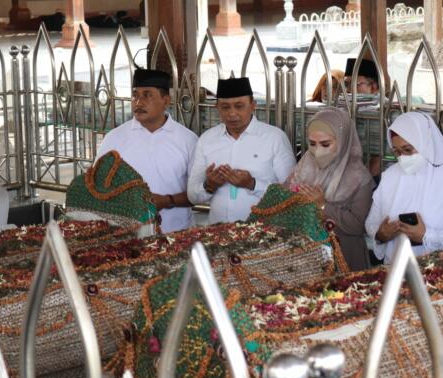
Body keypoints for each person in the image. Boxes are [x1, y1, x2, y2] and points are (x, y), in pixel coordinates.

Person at [365, 112, 443, 264]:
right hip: (394, 270)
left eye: (408, 150)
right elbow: (371, 222)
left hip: (441, 272)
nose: (402, 157)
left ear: (425, 143)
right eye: (397, 152)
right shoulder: (391, 176)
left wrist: (427, 236)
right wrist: (381, 234)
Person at [95, 68, 198, 233]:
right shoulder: (114, 138)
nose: (139, 102)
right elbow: (97, 186)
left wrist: (166, 201)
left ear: (166, 101)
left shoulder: (188, 140)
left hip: (176, 233)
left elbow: (198, 193)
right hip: (126, 235)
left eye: (148, 95)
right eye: (135, 95)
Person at [187, 77, 296, 223]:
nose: (232, 114)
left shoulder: (274, 138)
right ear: (217, 108)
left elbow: (292, 194)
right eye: (225, 107)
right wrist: (209, 186)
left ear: (253, 105)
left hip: (265, 233)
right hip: (219, 234)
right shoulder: (207, 140)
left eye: (239, 106)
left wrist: (252, 184)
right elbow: (192, 196)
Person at [285, 108, 374, 271]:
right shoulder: (305, 165)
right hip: (303, 256)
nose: (317, 151)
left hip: (343, 256)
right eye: (312, 144)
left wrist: (323, 206)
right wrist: (293, 197)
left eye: (325, 144)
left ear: (343, 141)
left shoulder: (359, 178)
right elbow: (283, 198)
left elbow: (358, 226)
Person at [343, 58, 384, 182]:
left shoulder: (384, 111)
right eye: (346, 84)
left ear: (374, 87)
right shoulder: (343, 105)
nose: (349, 89)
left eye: (356, 84)